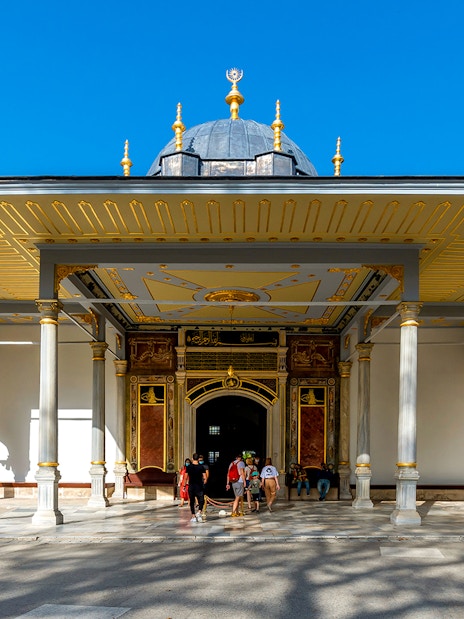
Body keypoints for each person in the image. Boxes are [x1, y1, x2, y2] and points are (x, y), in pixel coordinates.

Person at [186, 453, 207, 522]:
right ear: (198, 459)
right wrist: (203, 483)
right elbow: (205, 477)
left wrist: (183, 485)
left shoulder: (189, 467)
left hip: (191, 486)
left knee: (192, 501)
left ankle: (193, 515)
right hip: (199, 486)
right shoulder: (201, 467)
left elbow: (185, 477)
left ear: (192, 459)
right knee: (201, 500)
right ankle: (199, 511)